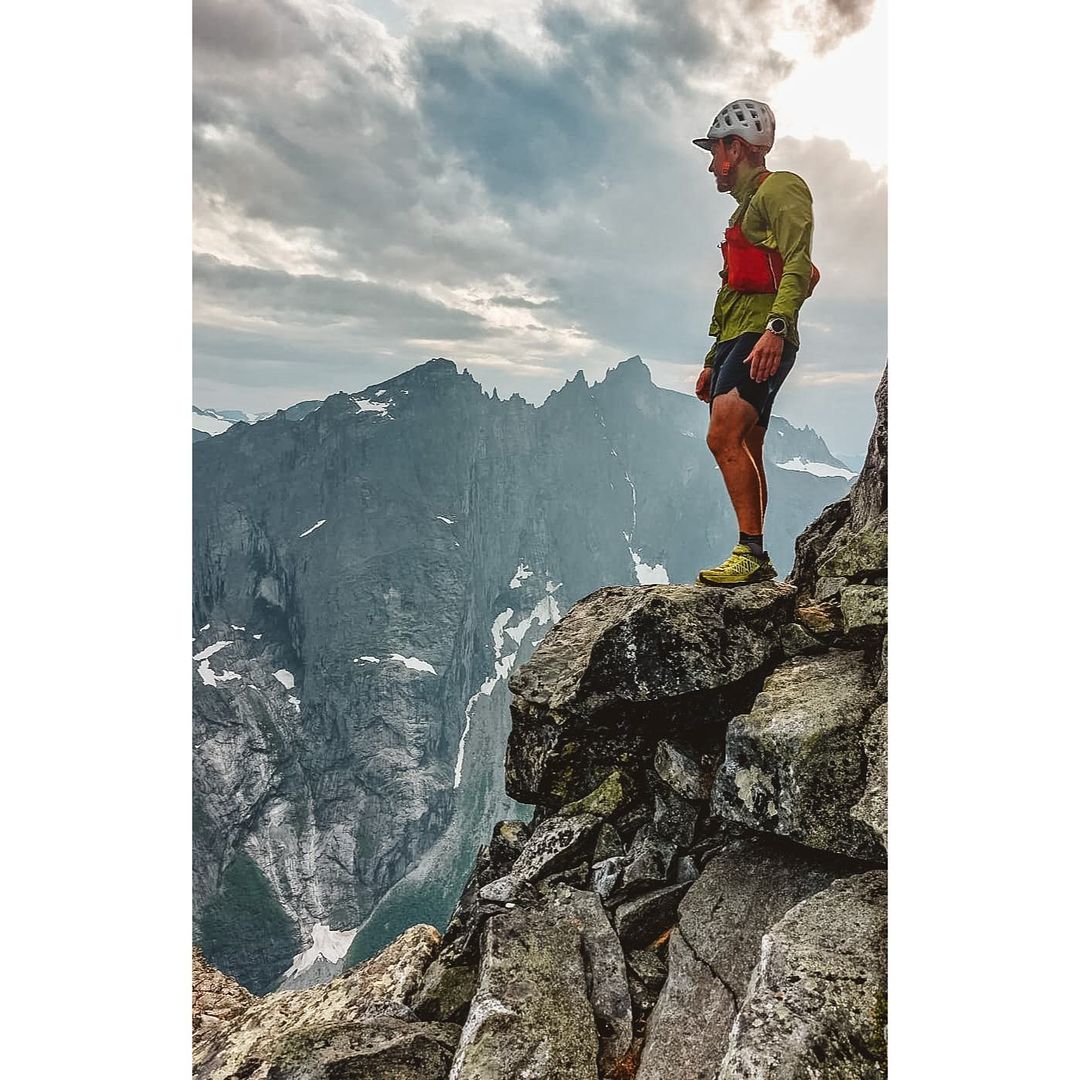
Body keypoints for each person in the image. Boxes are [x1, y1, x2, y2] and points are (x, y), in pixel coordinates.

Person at [690, 99, 817, 586]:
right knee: (744, 443)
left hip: (762, 334)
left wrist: (777, 329)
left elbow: (799, 261)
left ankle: (750, 553)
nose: (711, 164)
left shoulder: (781, 189)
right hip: (737, 335)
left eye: (715, 151)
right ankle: (755, 556)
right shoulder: (744, 212)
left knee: (722, 436)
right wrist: (712, 359)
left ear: (736, 148)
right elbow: (729, 290)